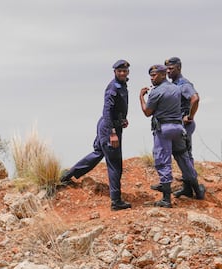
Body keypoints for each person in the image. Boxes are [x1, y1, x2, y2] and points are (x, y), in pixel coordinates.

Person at [60, 59, 132, 211]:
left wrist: (122, 120)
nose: (122, 73)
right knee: (114, 164)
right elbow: (106, 111)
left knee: (98, 153)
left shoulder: (123, 85)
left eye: (124, 71)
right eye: (119, 71)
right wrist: (113, 132)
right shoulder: (113, 87)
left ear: (127, 72)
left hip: (110, 124)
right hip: (108, 127)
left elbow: (116, 109)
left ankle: (67, 175)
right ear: (115, 72)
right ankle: (116, 201)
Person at [141, 64, 198, 208]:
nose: (152, 78)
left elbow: (147, 112)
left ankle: (166, 199)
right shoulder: (176, 89)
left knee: (163, 160)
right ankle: (197, 189)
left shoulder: (156, 92)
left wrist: (141, 97)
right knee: (183, 157)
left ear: (162, 74)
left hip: (164, 130)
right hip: (178, 128)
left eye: (154, 75)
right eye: (151, 76)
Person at [164, 56, 204, 199]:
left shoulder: (183, 84)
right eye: (167, 69)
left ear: (179, 68)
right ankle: (188, 188)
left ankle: (197, 190)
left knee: (184, 155)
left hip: (185, 125)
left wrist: (190, 116)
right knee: (182, 155)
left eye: (171, 69)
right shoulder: (174, 84)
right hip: (178, 124)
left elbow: (195, 98)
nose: (168, 71)